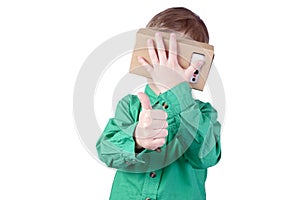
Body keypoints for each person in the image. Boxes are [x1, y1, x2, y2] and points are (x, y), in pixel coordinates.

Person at [96, 7, 221, 200]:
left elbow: (207, 156)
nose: (169, 64)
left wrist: (178, 92)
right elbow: (106, 151)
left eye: (180, 56)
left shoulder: (204, 113)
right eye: (162, 52)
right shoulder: (130, 105)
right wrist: (137, 138)